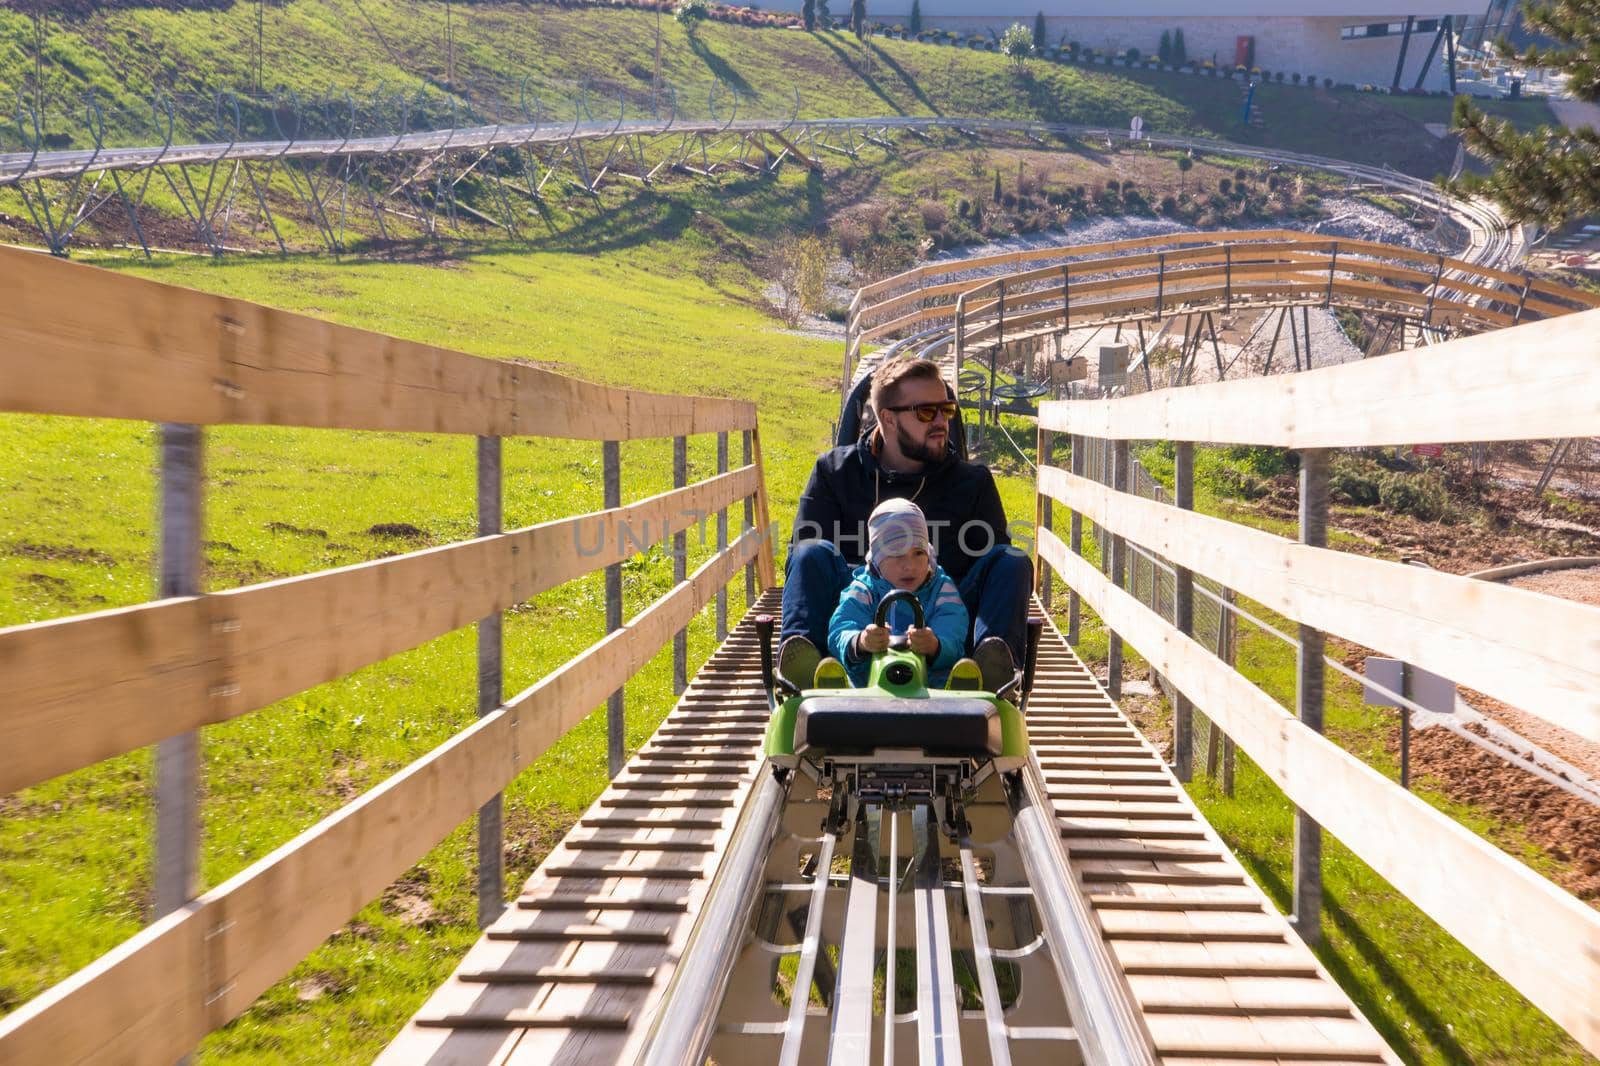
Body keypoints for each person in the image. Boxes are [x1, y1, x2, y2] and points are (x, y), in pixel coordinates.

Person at [779, 356, 1032, 688]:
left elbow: (991, 575)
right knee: (808, 552)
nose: (941, 420)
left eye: (947, 410)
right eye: (927, 412)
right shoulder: (835, 472)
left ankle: (989, 671)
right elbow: (808, 567)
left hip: (946, 610)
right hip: (859, 606)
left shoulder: (973, 482)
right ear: (888, 418)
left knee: (1010, 561)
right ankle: (807, 666)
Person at [826, 499, 968, 688]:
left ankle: (968, 684)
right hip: (868, 684)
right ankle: (830, 686)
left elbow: (954, 627)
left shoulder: (940, 588)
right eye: (896, 554)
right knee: (848, 676)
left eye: (918, 553)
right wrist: (861, 641)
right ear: (877, 559)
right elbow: (841, 627)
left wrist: (936, 645)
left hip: (931, 686)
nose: (909, 566)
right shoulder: (864, 588)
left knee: (952, 673)